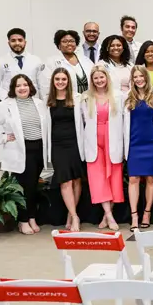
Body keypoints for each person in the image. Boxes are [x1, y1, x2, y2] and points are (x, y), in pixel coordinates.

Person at [0, 74, 48, 235]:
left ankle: (31, 218)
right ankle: (23, 220)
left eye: (25, 85)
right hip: (20, 150)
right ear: (13, 89)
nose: (22, 88)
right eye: (18, 86)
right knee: (25, 188)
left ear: (30, 87)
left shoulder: (39, 103)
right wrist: (2, 138)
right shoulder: (6, 105)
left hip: (39, 149)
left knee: (34, 186)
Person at [82, 65, 123, 231]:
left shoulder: (119, 96)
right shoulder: (85, 98)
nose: (99, 80)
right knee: (98, 180)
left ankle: (107, 215)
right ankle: (110, 215)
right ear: (92, 81)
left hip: (112, 141)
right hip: (94, 142)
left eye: (102, 77)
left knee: (113, 179)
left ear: (107, 78)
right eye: (96, 78)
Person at [123, 66, 153, 230]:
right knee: (133, 179)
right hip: (134, 143)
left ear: (146, 77)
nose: (139, 79)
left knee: (151, 179)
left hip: (152, 143)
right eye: (135, 76)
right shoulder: (127, 97)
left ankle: (147, 212)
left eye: (141, 76)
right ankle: (134, 216)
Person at [46, 68, 84, 231]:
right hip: (57, 146)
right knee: (65, 180)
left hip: (75, 144)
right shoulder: (47, 102)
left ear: (68, 81)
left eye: (63, 79)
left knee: (76, 179)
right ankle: (75, 216)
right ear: (53, 82)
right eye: (57, 79)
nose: (60, 82)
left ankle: (70, 213)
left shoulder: (77, 99)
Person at [0, 28, 44, 101]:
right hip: (10, 102)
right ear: (8, 43)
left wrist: (44, 102)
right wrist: (6, 96)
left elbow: (42, 84)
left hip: (33, 101)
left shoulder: (36, 60)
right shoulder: (0, 62)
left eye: (20, 40)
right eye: (13, 41)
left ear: (25, 42)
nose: (17, 43)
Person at [41, 30, 94, 98]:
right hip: (64, 103)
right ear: (59, 45)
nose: (69, 44)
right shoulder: (51, 62)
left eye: (72, 41)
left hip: (88, 102)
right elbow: (45, 87)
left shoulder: (86, 61)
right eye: (65, 41)